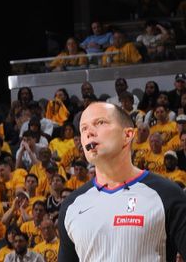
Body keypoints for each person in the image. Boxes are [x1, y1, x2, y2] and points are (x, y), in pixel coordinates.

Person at [57, 102, 186, 261]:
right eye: (84, 128)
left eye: (100, 123)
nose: (89, 132)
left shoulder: (166, 194)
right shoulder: (71, 205)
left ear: (128, 135)